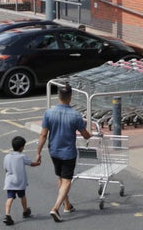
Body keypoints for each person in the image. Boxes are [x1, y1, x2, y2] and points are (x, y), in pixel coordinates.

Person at [35, 84, 92, 222]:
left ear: (58, 96)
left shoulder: (49, 113)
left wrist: (38, 153)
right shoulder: (75, 115)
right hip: (68, 153)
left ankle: (67, 205)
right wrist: (90, 134)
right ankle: (55, 208)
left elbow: (43, 135)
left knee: (60, 178)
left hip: (53, 151)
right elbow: (85, 135)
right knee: (67, 181)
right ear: (70, 97)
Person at [3, 135, 40, 226]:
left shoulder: (7, 156)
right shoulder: (22, 156)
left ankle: (7, 214)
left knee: (10, 198)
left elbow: (5, 168)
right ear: (22, 147)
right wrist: (38, 162)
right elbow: (32, 164)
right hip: (19, 182)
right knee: (22, 196)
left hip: (10, 181)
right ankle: (25, 210)